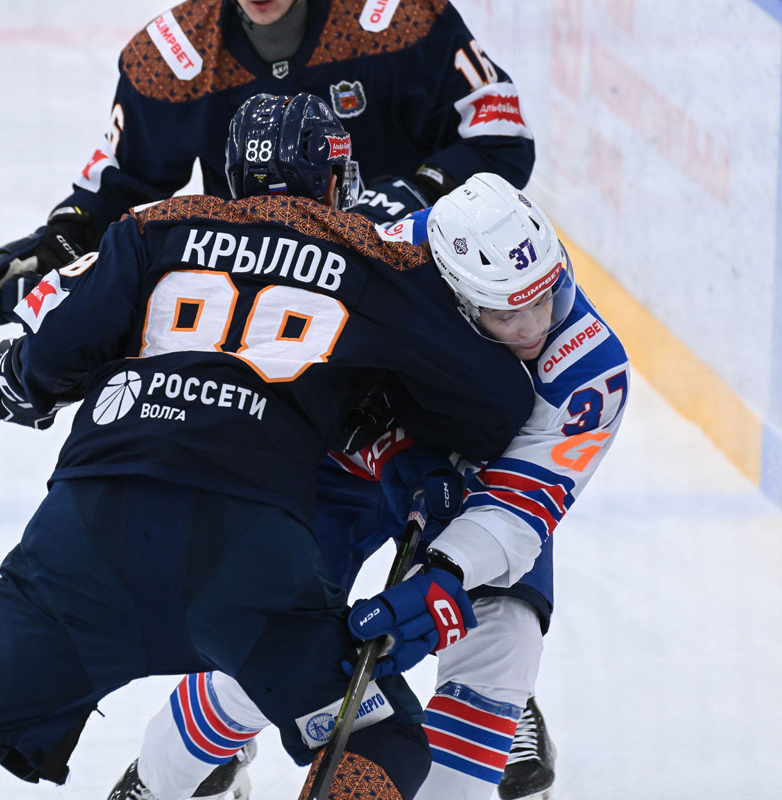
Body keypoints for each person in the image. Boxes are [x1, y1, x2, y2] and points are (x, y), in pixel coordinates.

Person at [0, 93, 536, 800]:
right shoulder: (375, 257)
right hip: (247, 554)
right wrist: (377, 410)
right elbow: (497, 405)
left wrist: (20, 377)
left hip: (87, 534)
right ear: (334, 181)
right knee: (381, 738)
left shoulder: (153, 226)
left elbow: (55, 356)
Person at [106, 173, 629, 800]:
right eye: (507, 313)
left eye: (546, 297)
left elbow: (523, 505)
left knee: (505, 644)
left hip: (482, 486)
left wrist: (447, 571)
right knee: (267, 649)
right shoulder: (372, 271)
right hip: (353, 471)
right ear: (457, 300)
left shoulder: (591, 368)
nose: (536, 326)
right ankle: (156, 781)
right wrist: (387, 443)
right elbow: (289, 389)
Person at [0, 0, 536, 326]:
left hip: (411, 292)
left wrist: (414, 194)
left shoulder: (398, 17)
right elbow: (116, 188)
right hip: (269, 315)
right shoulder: (171, 55)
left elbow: (500, 137)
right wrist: (62, 241)